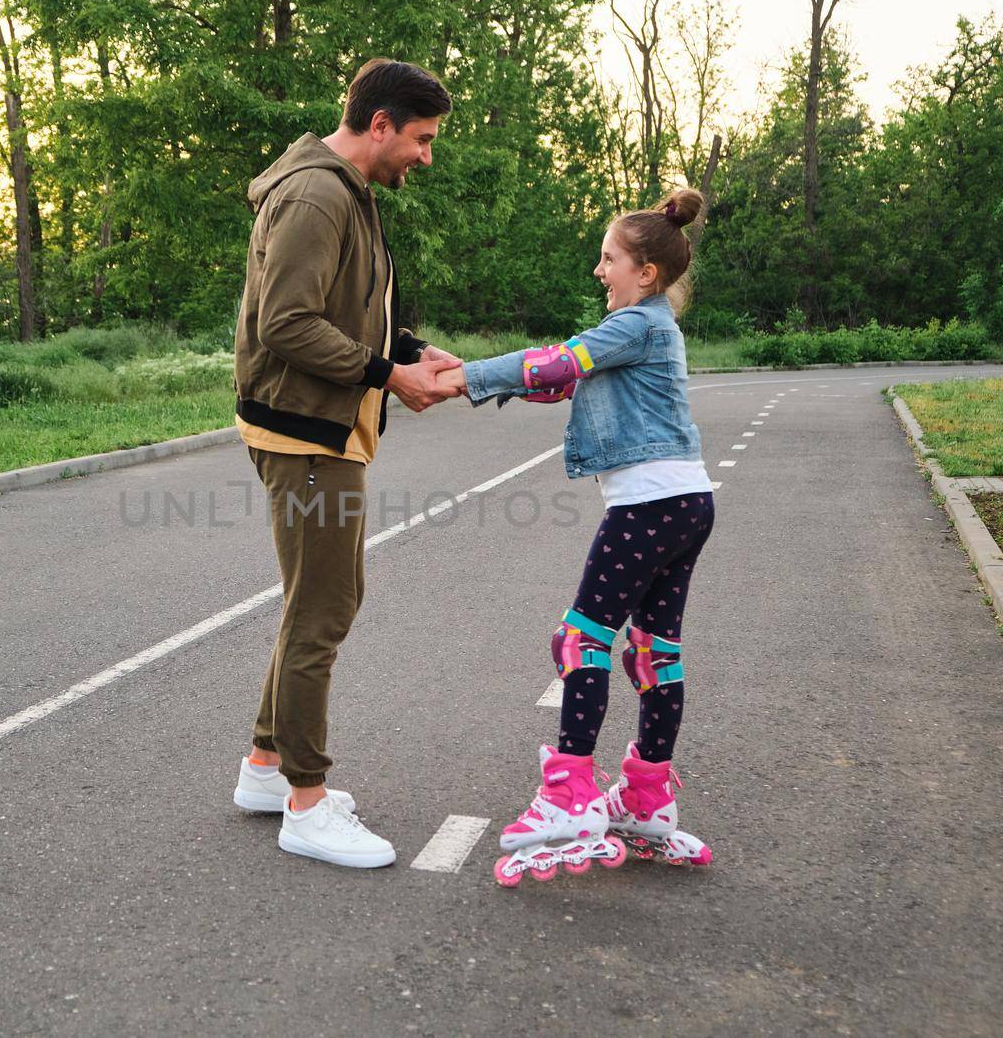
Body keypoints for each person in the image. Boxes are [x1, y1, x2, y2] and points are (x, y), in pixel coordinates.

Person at [436, 188, 717, 886]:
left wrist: (457, 382)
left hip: (649, 506)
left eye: (608, 258)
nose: (600, 271)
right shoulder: (649, 329)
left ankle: (569, 796)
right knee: (654, 650)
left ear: (645, 272)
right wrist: (464, 372)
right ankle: (647, 796)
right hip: (685, 501)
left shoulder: (637, 324)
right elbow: (561, 383)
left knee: (579, 638)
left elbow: (556, 362)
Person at [230, 59, 462, 868]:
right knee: (325, 608)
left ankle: (267, 767)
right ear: (379, 125)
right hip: (305, 432)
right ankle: (306, 802)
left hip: (324, 426)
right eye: (421, 139)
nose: (425, 156)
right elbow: (286, 322)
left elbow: (347, 306)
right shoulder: (317, 194)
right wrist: (384, 374)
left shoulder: (346, 192)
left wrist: (409, 349)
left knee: (316, 601)